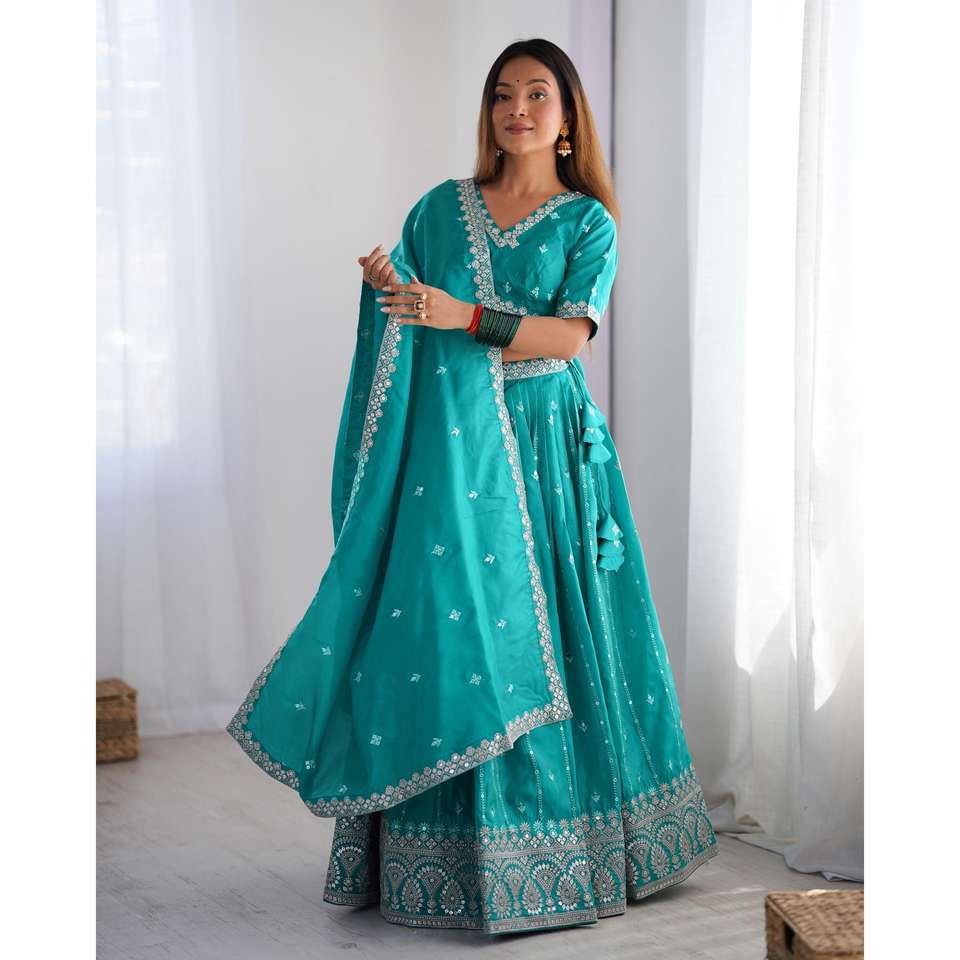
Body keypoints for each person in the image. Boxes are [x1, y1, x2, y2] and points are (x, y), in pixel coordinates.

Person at [226, 38, 718, 936]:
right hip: (451, 458)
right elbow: (415, 329)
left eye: (537, 95)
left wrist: (464, 315)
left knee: (557, 626)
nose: (516, 109)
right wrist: (395, 298)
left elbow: (569, 339)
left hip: (544, 448)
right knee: (448, 623)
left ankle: (565, 847)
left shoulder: (588, 223)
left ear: (567, 118)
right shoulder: (439, 209)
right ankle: (439, 853)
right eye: (502, 95)